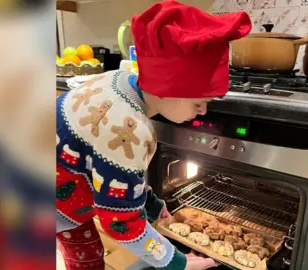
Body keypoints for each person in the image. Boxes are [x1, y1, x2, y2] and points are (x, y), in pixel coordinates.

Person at [55, 1, 252, 269]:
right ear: (166, 87)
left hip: (65, 193)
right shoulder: (129, 130)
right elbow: (120, 223)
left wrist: (151, 205)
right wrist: (178, 262)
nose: (203, 112)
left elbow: (115, 177)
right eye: (198, 102)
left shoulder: (119, 80)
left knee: (88, 259)